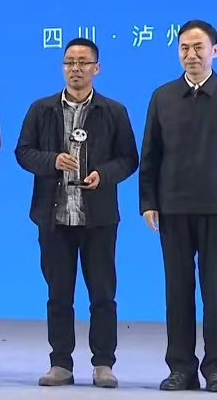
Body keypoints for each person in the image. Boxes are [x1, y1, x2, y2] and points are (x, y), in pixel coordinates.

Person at [139, 20, 217, 393]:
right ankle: (181, 368)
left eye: (198, 47)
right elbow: (150, 153)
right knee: (177, 293)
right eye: (184, 48)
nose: (191, 55)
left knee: (216, 293)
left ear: (214, 51)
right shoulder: (162, 96)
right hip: (172, 209)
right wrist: (148, 201)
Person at [14, 37, 138, 388]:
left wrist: (104, 175)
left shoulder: (113, 111)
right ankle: (61, 363)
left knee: (102, 295)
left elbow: (129, 159)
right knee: (58, 294)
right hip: (53, 217)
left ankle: (103, 364)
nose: (76, 69)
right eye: (70, 62)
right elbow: (23, 152)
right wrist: (52, 161)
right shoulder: (42, 109)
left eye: (83, 62)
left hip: (98, 218)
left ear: (97, 68)